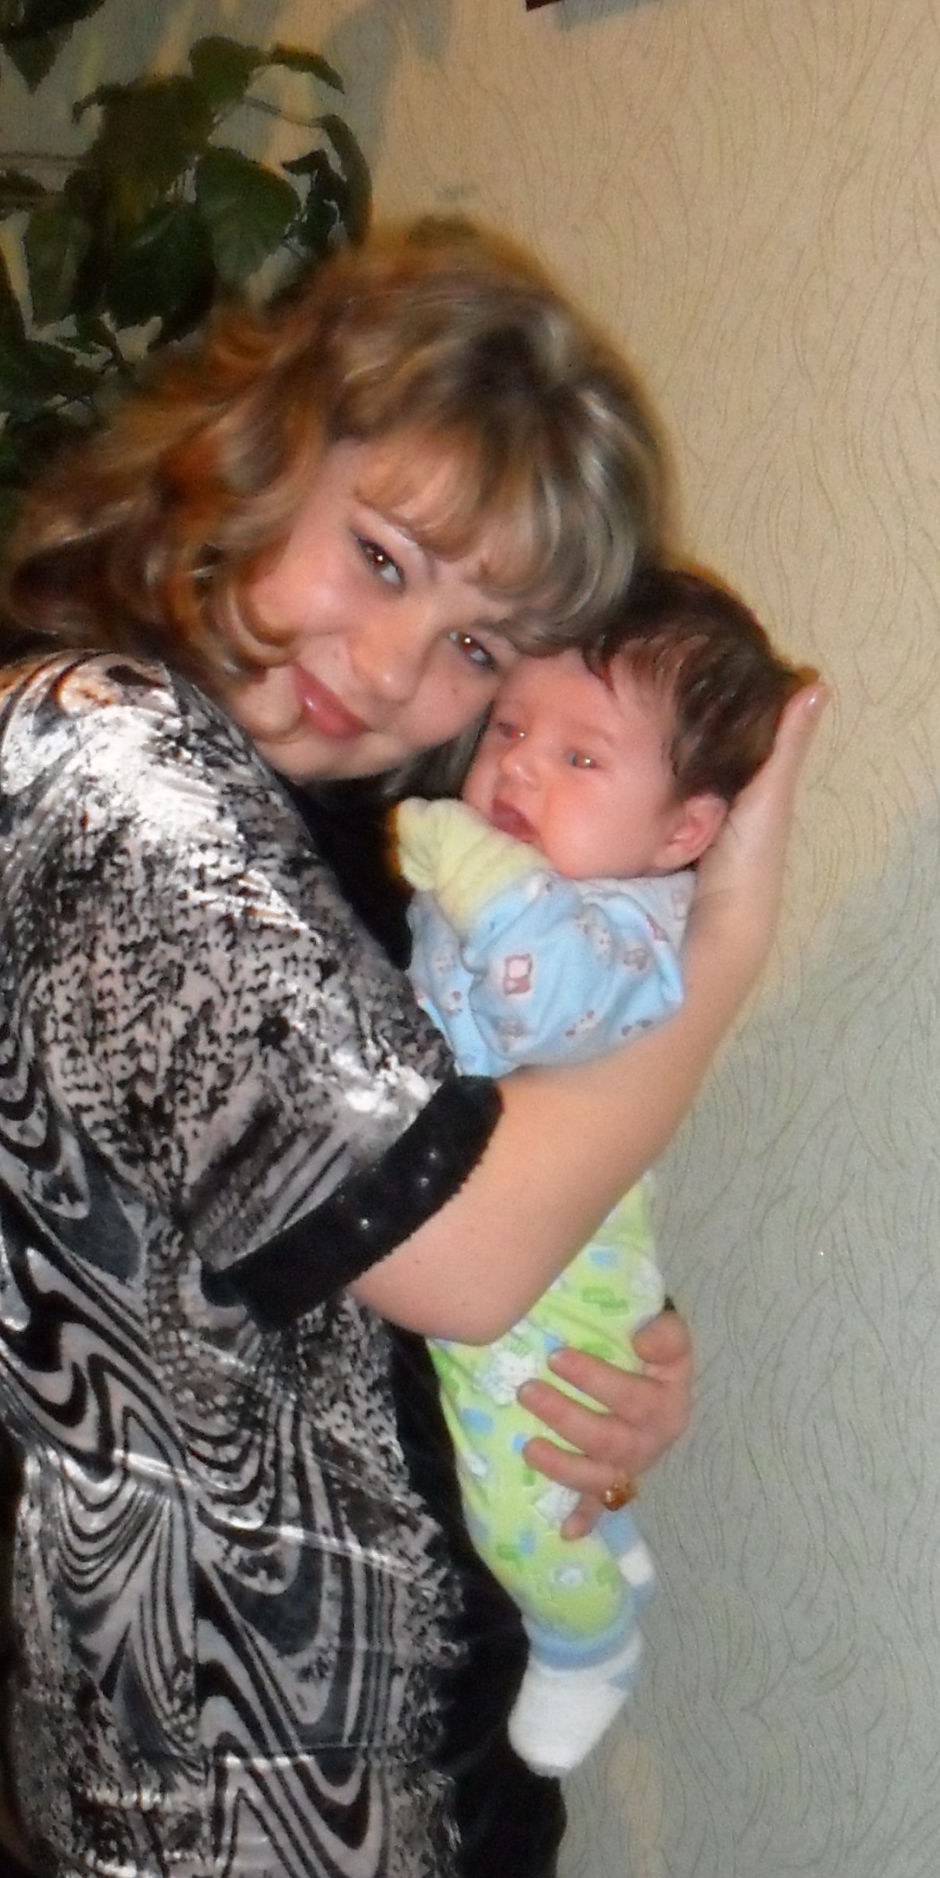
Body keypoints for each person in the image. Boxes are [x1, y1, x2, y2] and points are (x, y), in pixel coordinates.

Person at [0, 221, 823, 1878]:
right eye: (380, 556)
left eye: (480, 646)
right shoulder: (96, 759)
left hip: (415, 1756)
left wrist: (619, 1357)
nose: (394, 667)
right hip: (252, 1805)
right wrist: (725, 942)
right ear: (269, 442)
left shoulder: (331, 823)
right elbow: (466, 1253)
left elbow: (455, 1194)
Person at [395, 566, 804, 1778]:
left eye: (580, 757)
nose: (518, 768)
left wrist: (474, 870)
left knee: (520, 1494)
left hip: (552, 1273)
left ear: (683, 832)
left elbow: (555, 1006)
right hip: (526, 1269)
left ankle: (587, 1637)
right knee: (532, 1463)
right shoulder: (510, 881)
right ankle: (607, 1562)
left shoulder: (625, 922)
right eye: (511, 731)